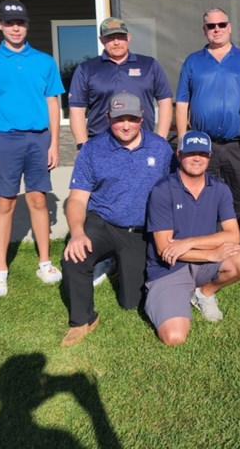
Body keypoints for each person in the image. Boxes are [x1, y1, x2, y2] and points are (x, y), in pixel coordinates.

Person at [59, 93, 174, 347]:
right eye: (119, 118)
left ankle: (117, 266)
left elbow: (175, 190)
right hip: (104, 223)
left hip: (141, 231)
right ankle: (82, 320)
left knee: (131, 301)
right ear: (108, 117)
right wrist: (77, 233)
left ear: (142, 118)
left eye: (132, 119)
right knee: (73, 256)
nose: (125, 125)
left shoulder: (161, 148)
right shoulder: (92, 149)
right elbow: (77, 199)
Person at [0, 0, 65, 298]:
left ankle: (45, 263)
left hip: (38, 140)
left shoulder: (44, 61)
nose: (15, 28)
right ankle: (0, 272)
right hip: (3, 140)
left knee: (38, 199)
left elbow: (53, 102)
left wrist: (53, 143)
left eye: (20, 23)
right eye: (9, 23)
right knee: (5, 203)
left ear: (26, 25)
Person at [68, 16, 174, 285]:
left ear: (128, 38)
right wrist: (83, 145)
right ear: (102, 40)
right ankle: (104, 253)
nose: (115, 41)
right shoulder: (88, 69)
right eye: (109, 37)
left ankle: (145, 250)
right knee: (104, 204)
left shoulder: (149, 65)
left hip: (144, 149)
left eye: (120, 36)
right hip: (104, 147)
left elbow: (164, 100)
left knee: (146, 202)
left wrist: (160, 140)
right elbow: (77, 108)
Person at [144, 130, 240, 346]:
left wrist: (190, 242)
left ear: (209, 157)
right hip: (170, 268)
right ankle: (172, 296)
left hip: (200, 262)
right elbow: (164, 250)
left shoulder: (220, 189)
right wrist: (212, 253)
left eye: (202, 154)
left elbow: (233, 235)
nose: (196, 159)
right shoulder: (162, 190)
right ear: (179, 155)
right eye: (190, 153)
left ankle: (203, 293)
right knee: (174, 337)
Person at [176, 7, 240, 254]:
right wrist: (183, 140)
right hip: (203, 145)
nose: (217, 30)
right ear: (204, 30)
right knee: (203, 197)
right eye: (211, 26)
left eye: (221, 25)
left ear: (229, 27)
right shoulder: (193, 61)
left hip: (238, 143)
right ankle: (206, 250)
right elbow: (182, 102)